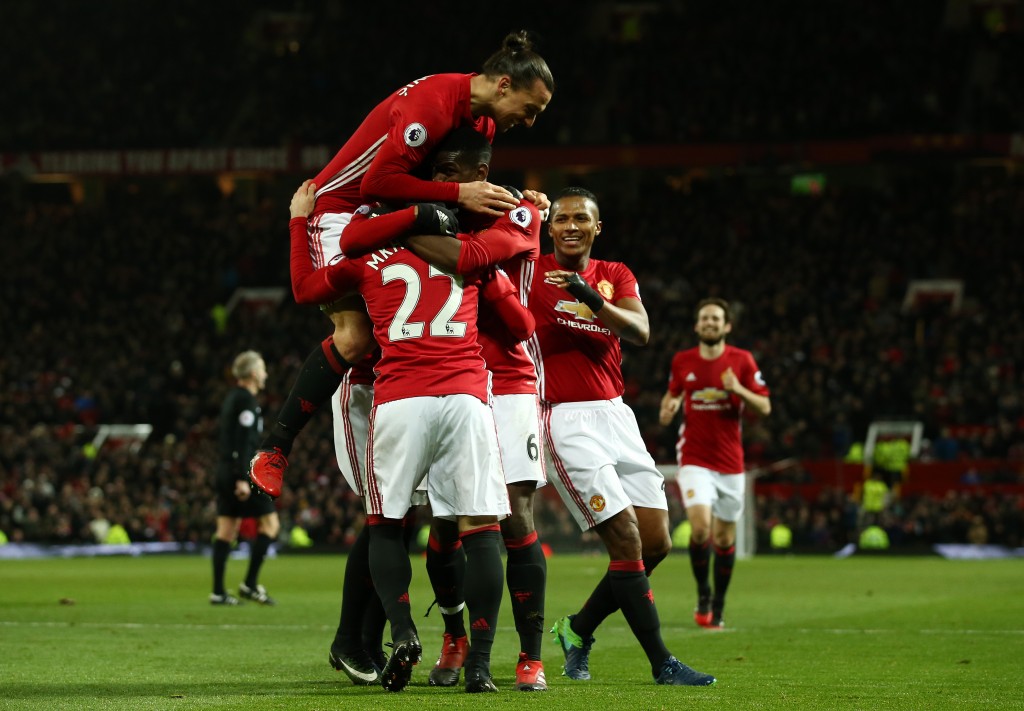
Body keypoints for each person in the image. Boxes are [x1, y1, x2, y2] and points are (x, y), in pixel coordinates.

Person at [248, 29, 555, 489]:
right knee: (355, 338)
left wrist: (513, 197)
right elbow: (375, 183)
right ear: (504, 85)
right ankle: (275, 448)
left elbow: (462, 179)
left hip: (400, 210)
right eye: (530, 110)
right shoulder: (432, 105)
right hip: (342, 210)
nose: (529, 123)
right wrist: (459, 194)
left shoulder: (484, 122)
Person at [523, 187, 716, 687]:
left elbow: (640, 330)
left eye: (581, 218)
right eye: (562, 218)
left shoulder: (614, 274)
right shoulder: (530, 272)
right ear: (549, 226)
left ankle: (577, 629)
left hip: (616, 414)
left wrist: (589, 296)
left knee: (656, 543)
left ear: (597, 227)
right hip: (563, 417)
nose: (571, 226)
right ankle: (662, 663)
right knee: (627, 538)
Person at [658, 297, 771, 629]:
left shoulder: (742, 360)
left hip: (730, 463)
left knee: (723, 539)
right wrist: (667, 408)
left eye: (716, 319)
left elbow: (765, 407)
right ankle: (703, 594)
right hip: (694, 458)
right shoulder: (682, 360)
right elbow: (672, 394)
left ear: (727, 326)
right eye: (705, 318)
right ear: (697, 326)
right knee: (700, 528)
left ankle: (719, 603)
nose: (710, 323)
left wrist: (738, 389)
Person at [210, 351, 279, 606]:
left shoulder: (233, 397)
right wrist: (241, 477)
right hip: (240, 472)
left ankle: (218, 591)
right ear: (252, 373)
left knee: (226, 529)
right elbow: (241, 442)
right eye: (262, 369)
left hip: (225, 469)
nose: (265, 374)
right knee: (270, 525)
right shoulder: (246, 400)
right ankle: (249, 584)